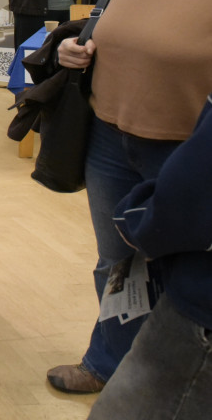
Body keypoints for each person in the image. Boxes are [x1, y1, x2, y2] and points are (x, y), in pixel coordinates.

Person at [50, 0, 212, 396]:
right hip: (109, 139)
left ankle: (165, 385)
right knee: (116, 262)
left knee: (184, 273)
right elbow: (114, 32)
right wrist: (79, 51)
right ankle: (109, 364)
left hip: (186, 154)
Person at [87, 94, 212, 419]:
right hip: (114, 126)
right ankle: (105, 360)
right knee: (115, 267)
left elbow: (186, 205)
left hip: (199, 311)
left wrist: (139, 220)